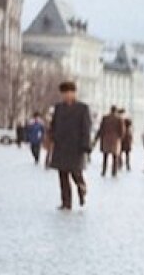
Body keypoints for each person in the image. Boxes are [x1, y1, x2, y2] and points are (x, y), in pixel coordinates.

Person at [50, 82, 91, 211]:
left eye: (69, 93)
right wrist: (52, 137)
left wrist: (85, 145)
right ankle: (66, 202)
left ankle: (82, 188)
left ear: (74, 93)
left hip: (76, 146)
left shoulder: (82, 108)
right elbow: (53, 125)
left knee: (76, 173)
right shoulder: (59, 108)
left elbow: (86, 127)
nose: (67, 96)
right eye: (64, 93)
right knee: (62, 176)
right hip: (61, 146)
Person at [93, 106, 125, 177]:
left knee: (105, 156)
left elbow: (101, 128)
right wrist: (120, 138)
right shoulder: (119, 119)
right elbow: (122, 131)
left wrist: (97, 137)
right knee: (115, 157)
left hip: (106, 139)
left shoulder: (105, 118)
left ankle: (104, 171)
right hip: (115, 140)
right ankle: (114, 172)